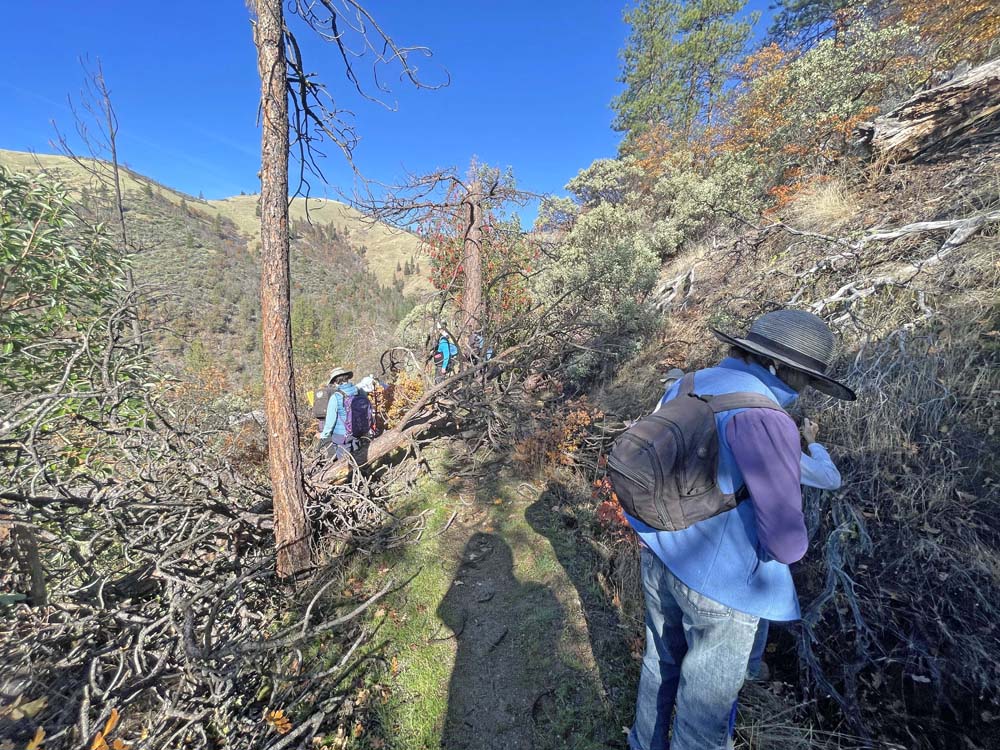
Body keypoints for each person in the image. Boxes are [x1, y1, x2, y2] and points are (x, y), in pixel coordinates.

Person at [626, 309, 855, 750]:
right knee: (703, 711)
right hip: (721, 586)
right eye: (806, 379)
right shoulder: (765, 417)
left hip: (657, 547)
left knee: (659, 663)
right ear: (779, 368)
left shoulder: (688, 383)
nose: (804, 389)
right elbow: (786, 544)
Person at [318, 366, 358, 459]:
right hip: (358, 431)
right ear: (347, 378)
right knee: (358, 457)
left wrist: (323, 434)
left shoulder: (336, 397)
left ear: (335, 382)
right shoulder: (358, 390)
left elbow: (330, 421)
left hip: (342, 436)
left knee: (344, 462)